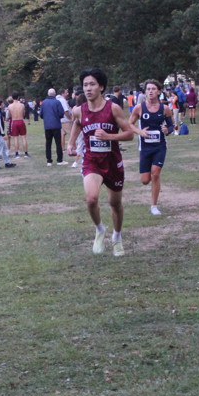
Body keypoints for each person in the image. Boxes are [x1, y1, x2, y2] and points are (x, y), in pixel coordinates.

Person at [67, 67, 134, 256]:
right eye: (85, 85)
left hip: (112, 162)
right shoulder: (79, 110)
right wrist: (71, 143)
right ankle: (99, 229)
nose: (88, 88)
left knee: (115, 204)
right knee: (91, 199)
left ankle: (117, 237)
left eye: (92, 84)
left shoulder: (112, 108)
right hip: (92, 161)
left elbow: (129, 134)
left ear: (101, 87)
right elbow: (77, 123)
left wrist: (109, 136)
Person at [130, 79, 173, 216]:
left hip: (160, 146)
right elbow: (129, 124)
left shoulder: (165, 108)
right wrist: (140, 131)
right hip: (145, 147)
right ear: (145, 92)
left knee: (155, 173)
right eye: (148, 89)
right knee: (145, 180)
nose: (150, 91)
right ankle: (154, 182)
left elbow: (171, 126)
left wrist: (167, 130)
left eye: (153, 89)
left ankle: (154, 206)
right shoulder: (139, 108)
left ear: (159, 91)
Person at [40, 88, 65, 165]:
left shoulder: (43, 102)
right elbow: (61, 113)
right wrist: (57, 117)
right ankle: (59, 160)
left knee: (48, 143)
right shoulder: (57, 102)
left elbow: (41, 114)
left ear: (48, 94)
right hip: (56, 125)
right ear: (55, 94)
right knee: (58, 143)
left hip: (47, 126)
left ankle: (49, 161)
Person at [0, 97, 16, 170]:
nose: (3, 104)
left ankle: (7, 163)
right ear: (1, 104)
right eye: (3, 103)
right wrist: (3, 134)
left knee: (4, 148)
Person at [7, 92, 29, 158]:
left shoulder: (10, 106)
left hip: (14, 121)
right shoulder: (22, 105)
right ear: (18, 97)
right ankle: (26, 153)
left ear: (12, 98)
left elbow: (9, 115)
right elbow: (24, 114)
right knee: (24, 137)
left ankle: (17, 154)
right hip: (21, 121)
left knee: (15, 138)